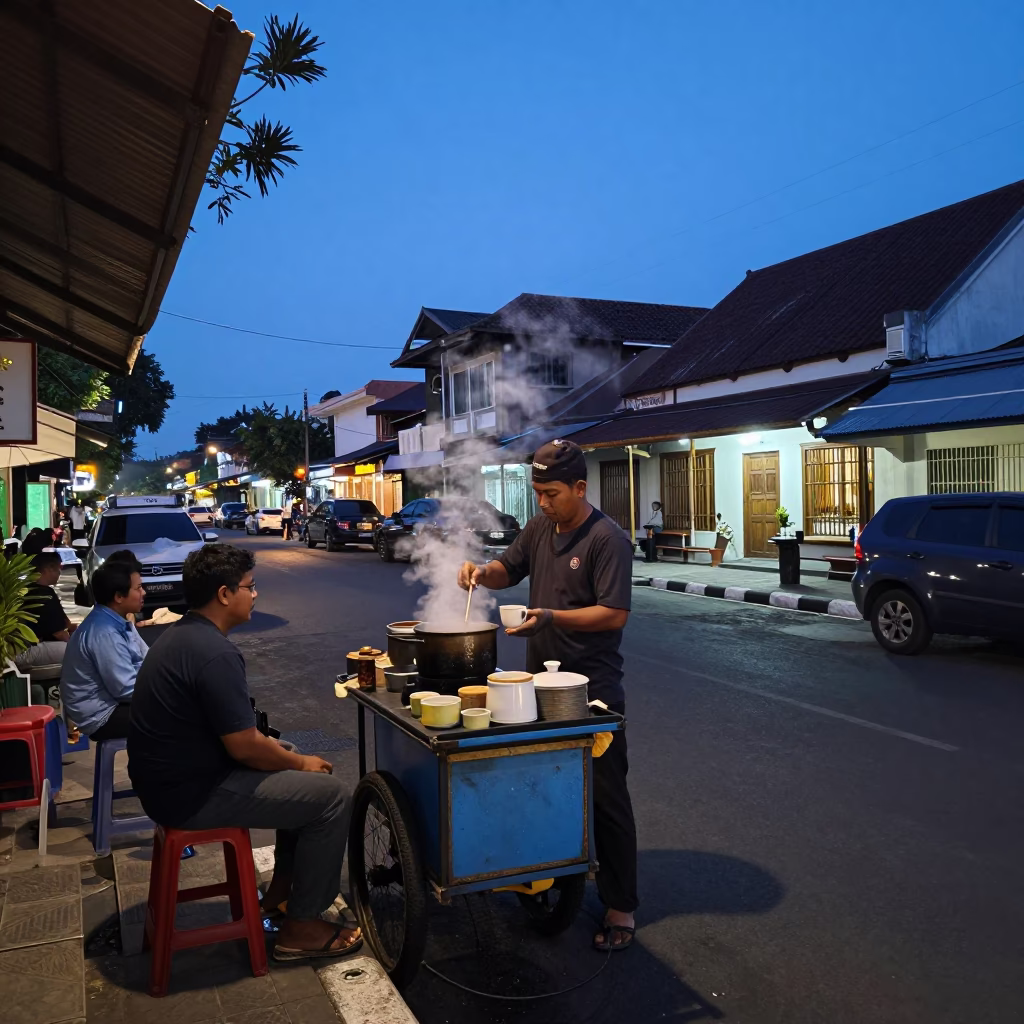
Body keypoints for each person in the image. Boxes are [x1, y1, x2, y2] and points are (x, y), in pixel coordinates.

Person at [127, 543, 361, 962]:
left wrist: (292, 759)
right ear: (223, 594)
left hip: (173, 779)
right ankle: (302, 927)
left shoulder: (184, 635)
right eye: (250, 587)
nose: (255, 595)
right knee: (332, 797)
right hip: (190, 794)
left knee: (293, 760)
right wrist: (300, 763)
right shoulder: (213, 653)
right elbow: (245, 746)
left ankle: (285, 894)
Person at [457, 438, 638, 952]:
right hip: (538, 686)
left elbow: (614, 613)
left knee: (605, 798)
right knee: (543, 786)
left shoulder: (607, 539)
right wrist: (478, 572)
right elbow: (506, 570)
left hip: (592, 692)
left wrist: (552, 617)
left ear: (580, 487)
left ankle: (621, 905)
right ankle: (552, 875)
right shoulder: (539, 528)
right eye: (537, 492)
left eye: (552, 493)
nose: (542, 503)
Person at [59, 560, 148, 741]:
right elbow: (126, 688)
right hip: (102, 716)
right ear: (118, 597)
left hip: (114, 703)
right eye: (138, 588)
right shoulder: (104, 632)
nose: (143, 593)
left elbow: (147, 657)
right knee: (178, 713)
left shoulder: (116, 620)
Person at [14, 551, 77, 672]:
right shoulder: (42, 594)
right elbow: (59, 633)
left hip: (24, 648)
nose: (59, 573)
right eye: (58, 569)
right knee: (75, 651)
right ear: (48, 569)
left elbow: (66, 623)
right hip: (23, 651)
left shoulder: (28, 589)